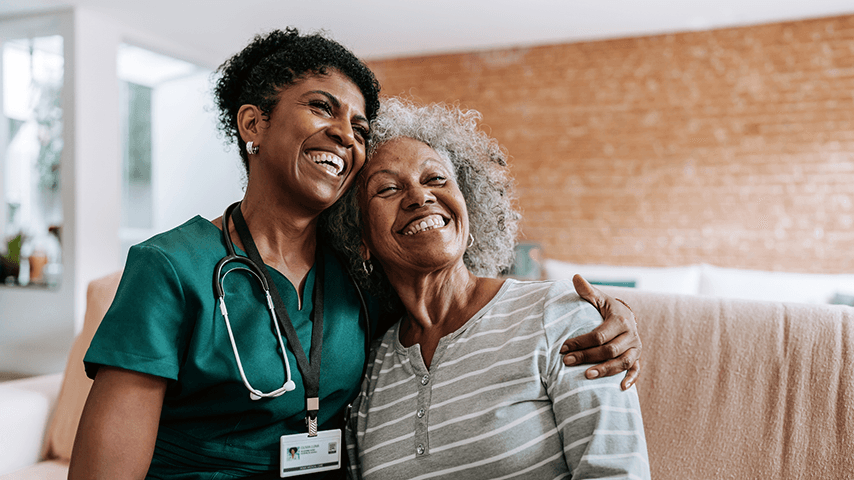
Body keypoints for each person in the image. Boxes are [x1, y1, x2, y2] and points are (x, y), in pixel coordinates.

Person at [68, 29, 640, 480]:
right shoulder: (169, 268)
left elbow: (455, 307)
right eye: (323, 108)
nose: (346, 135)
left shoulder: (360, 282)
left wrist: (617, 318)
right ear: (253, 124)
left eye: (359, 126)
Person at [331, 98, 650, 479]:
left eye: (436, 179)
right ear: (359, 236)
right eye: (386, 189)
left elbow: (615, 471)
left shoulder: (559, 315)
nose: (419, 196)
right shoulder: (370, 367)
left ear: (468, 208)